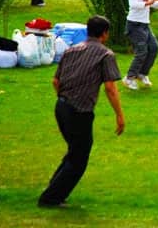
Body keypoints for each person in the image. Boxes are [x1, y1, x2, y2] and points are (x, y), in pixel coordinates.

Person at [38, 15, 125, 208]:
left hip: (61, 107)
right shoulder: (106, 55)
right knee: (79, 159)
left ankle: (54, 190)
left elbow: (55, 81)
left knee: (74, 152)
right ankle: (50, 198)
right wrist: (119, 115)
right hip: (80, 111)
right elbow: (110, 88)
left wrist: (64, 98)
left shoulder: (71, 50)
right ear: (105, 33)